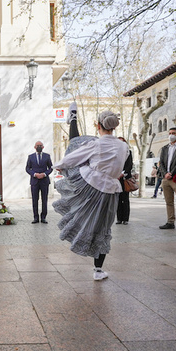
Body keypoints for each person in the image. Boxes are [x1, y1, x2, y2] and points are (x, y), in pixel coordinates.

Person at [53, 110, 128, 281]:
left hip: (90, 187)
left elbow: (73, 157)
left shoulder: (96, 144)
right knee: (103, 228)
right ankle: (98, 269)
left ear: (99, 125)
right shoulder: (123, 146)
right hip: (110, 191)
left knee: (78, 213)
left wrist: (58, 165)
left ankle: (73, 118)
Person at [26, 140, 53, 224]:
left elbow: (51, 168)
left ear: (43, 147)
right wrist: (34, 174)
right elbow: (27, 168)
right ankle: (36, 218)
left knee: (44, 200)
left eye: (40, 145)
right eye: (37, 145)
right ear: (34, 147)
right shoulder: (31, 157)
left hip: (44, 181)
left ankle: (43, 217)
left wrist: (44, 174)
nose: (39, 147)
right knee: (35, 200)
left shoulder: (47, 156)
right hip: (35, 181)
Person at [116, 137, 133, 225]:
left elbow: (130, 165)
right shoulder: (115, 153)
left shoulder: (129, 152)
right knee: (118, 199)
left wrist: (123, 173)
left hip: (125, 178)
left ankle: (125, 219)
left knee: (125, 199)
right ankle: (119, 218)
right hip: (117, 179)